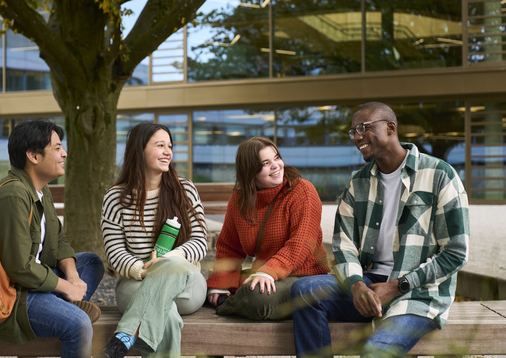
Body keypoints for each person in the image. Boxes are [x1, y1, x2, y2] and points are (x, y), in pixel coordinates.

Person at [291, 102, 470, 358]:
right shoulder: (357, 183)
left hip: (418, 294)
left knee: (376, 352)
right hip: (370, 284)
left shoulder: (440, 175)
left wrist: (398, 286)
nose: (357, 137)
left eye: (363, 127)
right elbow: (344, 246)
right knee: (305, 291)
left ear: (390, 128)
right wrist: (356, 286)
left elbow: (456, 252)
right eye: (353, 132)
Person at [0, 119, 105, 358]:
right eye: (57, 148)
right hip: (15, 295)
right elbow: (19, 268)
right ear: (33, 156)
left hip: (37, 281)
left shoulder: (40, 188)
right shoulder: (14, 196)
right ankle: (64, 308)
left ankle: (60, 303)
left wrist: (73, 278)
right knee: (78, 324)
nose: (64, 153)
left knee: (91, 262)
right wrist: (67, 287)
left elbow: (59, 240)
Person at [100, 122, 208, 358]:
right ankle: (127, 335)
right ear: (139, 151)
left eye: (169, 146)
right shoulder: (116, 198)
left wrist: (166, 260)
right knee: (165, 315)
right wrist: (141, 269)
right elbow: (114, 252)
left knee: (174, 264)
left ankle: (126, 334)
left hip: (186, 286)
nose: (168, 151)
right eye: (160, 145)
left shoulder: (185, 190)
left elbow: (200, 242)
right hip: (136, 283)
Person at [206, 136, 330, 320]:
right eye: (265, 163)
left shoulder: (302, 190)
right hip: (266, 274)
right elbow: (229, 247)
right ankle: (234, 298)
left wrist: (267, 272)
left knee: (257, 297)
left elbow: (302, 243)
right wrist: (220, 284)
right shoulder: (239, 200)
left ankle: (228, 305)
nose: (276, 165)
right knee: (205, 288)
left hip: (304, 276)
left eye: (277, 157)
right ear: (250, 173)